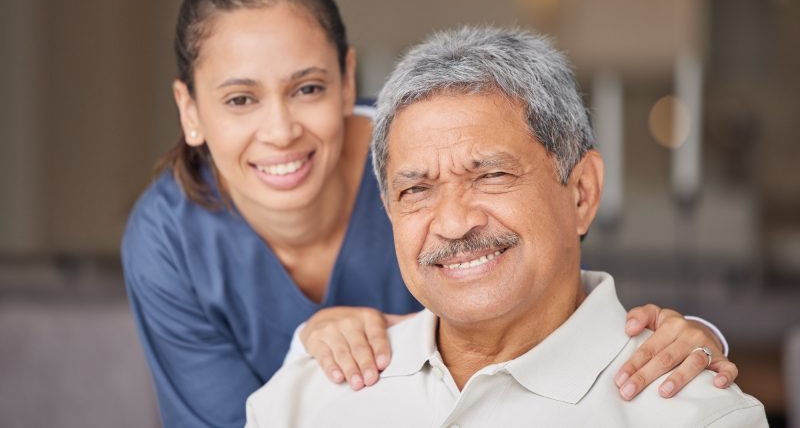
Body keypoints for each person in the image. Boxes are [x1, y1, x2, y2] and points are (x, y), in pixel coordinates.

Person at [121, 0, 737, 428]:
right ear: (190, 109)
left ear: (345, 82)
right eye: (240, 98)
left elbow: (547, 277)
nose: (281, 131)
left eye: (307, 88)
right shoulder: (168, 241)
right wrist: (307, 364)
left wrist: (692, 339)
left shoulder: (424, 144)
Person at [245, 26, 767, 427]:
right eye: (416, 190)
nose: (452, 223)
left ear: (581, 192)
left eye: (491, 175)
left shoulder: (697, 416)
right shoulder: (303, 399)